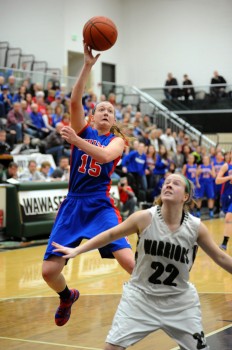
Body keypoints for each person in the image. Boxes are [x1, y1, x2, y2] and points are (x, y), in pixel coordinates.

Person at [52, 172, 232, 350]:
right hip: (140, 297)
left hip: (179, 302)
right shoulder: (144, 218)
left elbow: (220, 256)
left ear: (185, 196)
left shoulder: (195, 227)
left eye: (175, 183)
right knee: (111, 348)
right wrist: (77, 249)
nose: (168, 185)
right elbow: (110, 234)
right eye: (166, 182)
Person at [41, 42, 135, 328]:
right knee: (49, 272)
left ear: (114, 120)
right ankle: (67, 295)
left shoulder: (117, 141)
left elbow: (105, 156)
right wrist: (87, 66)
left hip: (99, 205)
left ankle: (155, 299)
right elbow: (74, 101)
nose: (105, 112)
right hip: (73, 204)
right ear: (92, 117)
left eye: (110, 111)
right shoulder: (84, 128)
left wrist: (76, 141)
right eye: (100, 109)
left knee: (130, 263)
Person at [216, 150, 232, 250]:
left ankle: (224, 243)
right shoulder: (226, 166)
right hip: (227, 195)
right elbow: (217, 180)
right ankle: (225, 243)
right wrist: (229, 177)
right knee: (229, 219)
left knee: (228, 218)